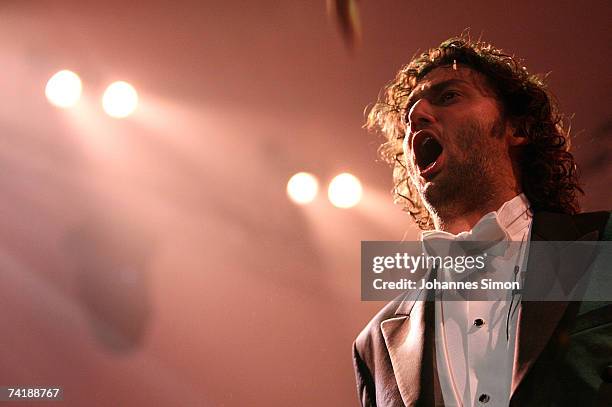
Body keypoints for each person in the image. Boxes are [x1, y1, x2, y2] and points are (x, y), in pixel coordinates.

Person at [353, 37, 611, 406]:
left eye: (448, 97)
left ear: (517, 129)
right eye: (409, 115)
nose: (417, 116)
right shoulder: (374, 343)